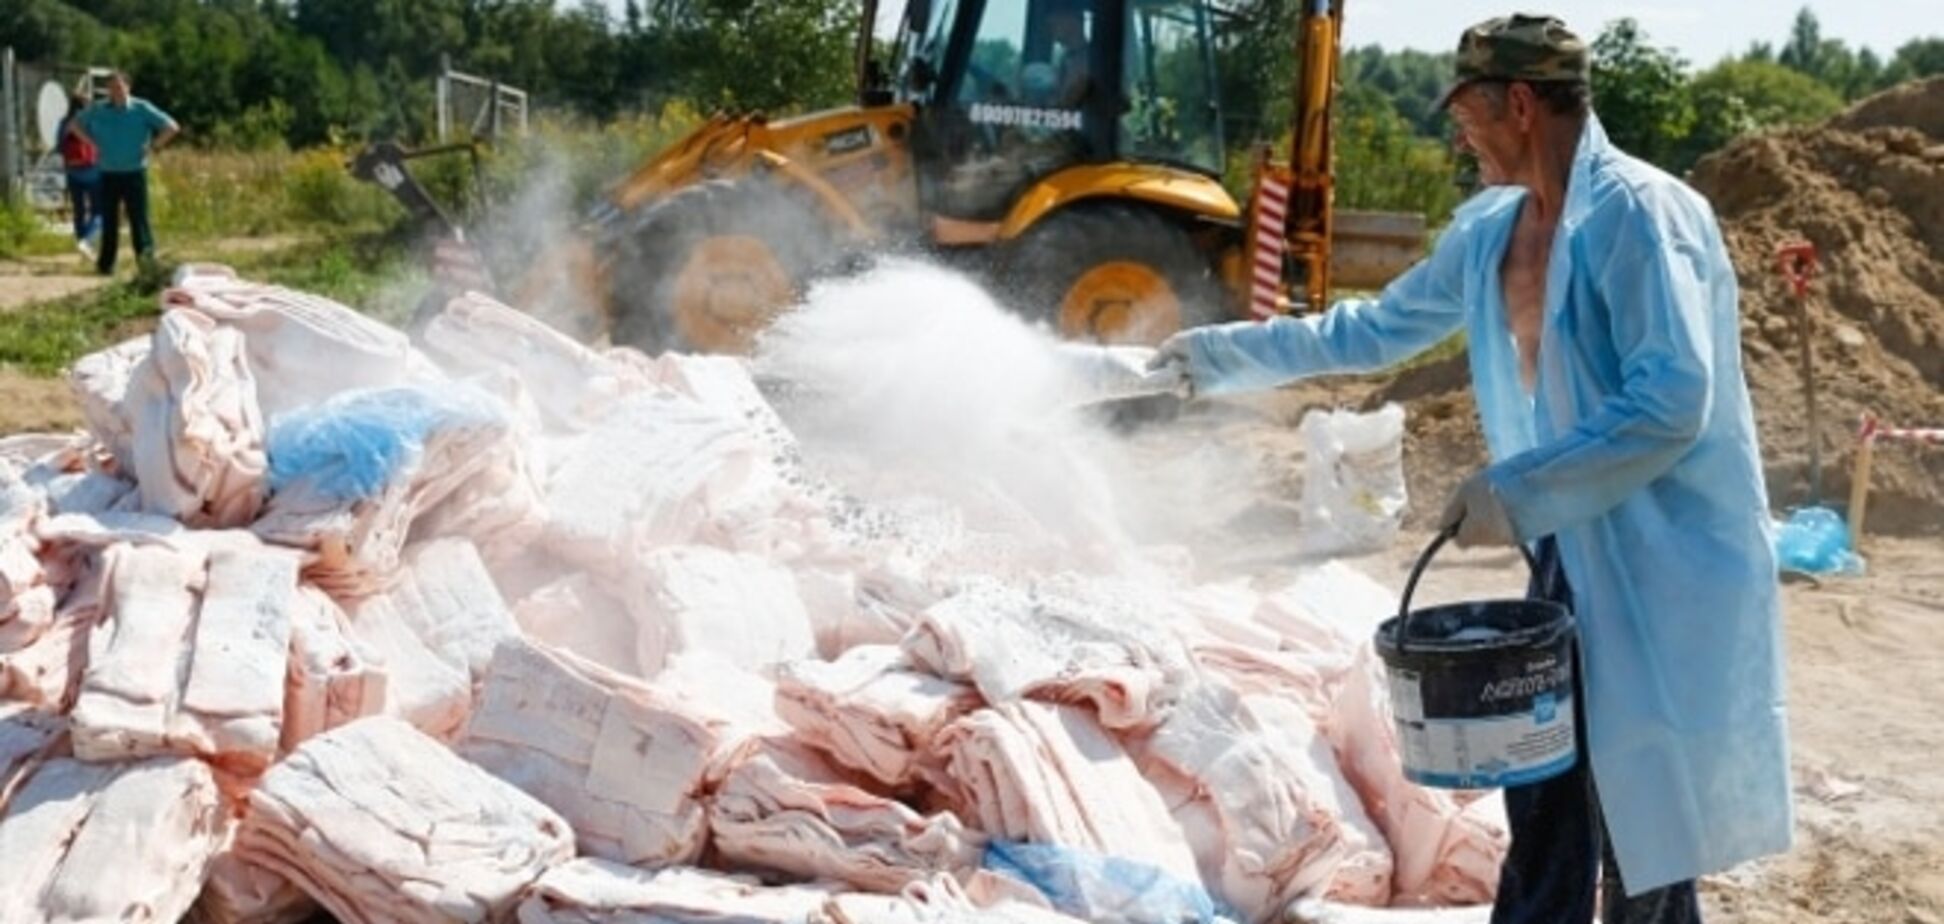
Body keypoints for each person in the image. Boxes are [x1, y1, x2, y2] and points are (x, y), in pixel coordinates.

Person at [1151, 14, 1791, 924]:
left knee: (1644, 820)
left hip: (1660, 559)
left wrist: (1516, 489)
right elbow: (1372, 331)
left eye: (1467, 114)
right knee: (1545, 789)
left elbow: (1672, 401)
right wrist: (1214, 358)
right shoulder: (1494, 231)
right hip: (1569, 545)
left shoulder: (1642, 218)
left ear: (1520, 103)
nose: (1459, 136)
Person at [66, 71, 178, 276]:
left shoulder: (141, 108)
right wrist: (91, 142)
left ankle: (146, 263)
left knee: (138, 219)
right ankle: (105, 265)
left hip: (134, 171)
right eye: (111, 87)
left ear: (128, 87)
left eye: (119, 87)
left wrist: (154, 146)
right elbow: (74, 125)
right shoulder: (99, 109)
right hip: (108, 172)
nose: (115, 92)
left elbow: (171, 127)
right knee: (109, 220)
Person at [56, 91, 102, 260]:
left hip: (72, 171)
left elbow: (59, 147)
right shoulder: (92, 121)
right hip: (93, 170)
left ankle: (81, 240)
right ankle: (86, 241)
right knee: (99, 210)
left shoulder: (64, 123)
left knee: (79, 210)